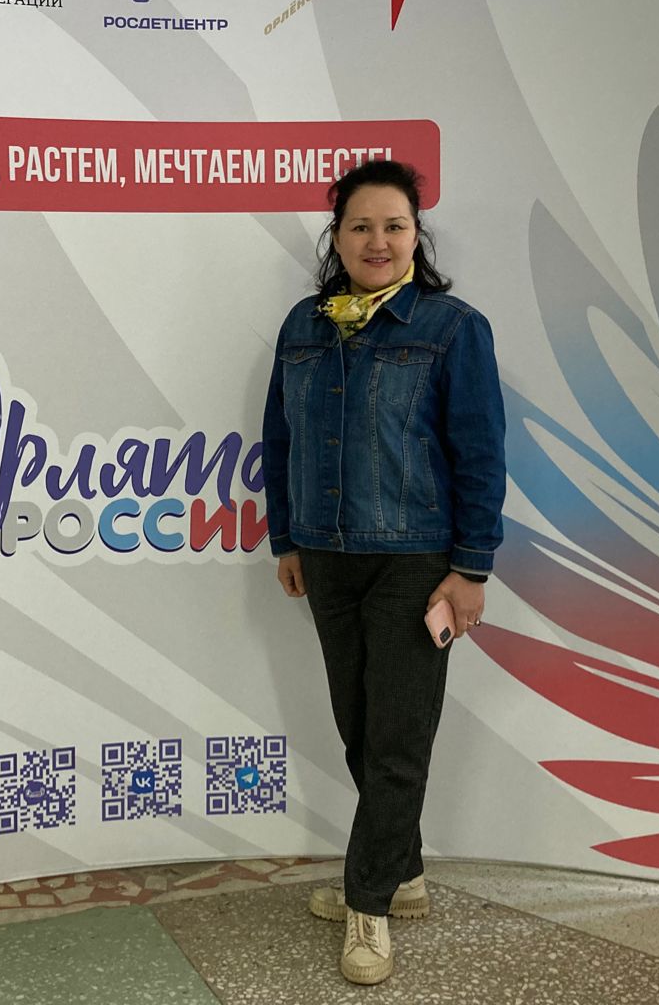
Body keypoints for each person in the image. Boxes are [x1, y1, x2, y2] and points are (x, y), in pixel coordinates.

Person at [260, 160, 506, 986]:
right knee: (360, 726)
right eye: (360, 226)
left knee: (398, 736)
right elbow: (280, 438)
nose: (378, 241)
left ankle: (368, 905)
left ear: (415, 236)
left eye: (394, 226)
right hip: (326, 557)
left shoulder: (451, 328)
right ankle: (403, 874)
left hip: (415, 560)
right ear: (336, 237)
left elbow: (480, 452)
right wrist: (288, 539)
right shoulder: (304, 325)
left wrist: (470, 568)